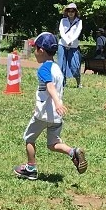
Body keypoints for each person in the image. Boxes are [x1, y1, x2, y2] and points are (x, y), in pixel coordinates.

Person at [14, 32, 87, 180]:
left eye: (35, 49)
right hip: (56, 116)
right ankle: (73, 152)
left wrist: (57, 102)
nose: (34, 53)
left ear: (41, 50)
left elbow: (50, 87)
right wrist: (58, 105)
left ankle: (31, 169)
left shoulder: (44, 69)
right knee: (53, 143)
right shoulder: (57, 68)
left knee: (29, 138)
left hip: (43, 114)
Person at [58, 3, 83, 88]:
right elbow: (61, 31)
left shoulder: (79, 21)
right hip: (62, 44)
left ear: (75, 12)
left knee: (75, 65)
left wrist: (70, 41)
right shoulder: (63, 20)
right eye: (69, 11)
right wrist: (67, 40)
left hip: (74, 46)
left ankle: (79, 83)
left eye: (73, 11)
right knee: (61, 65)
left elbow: (77, 32)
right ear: (67, 12)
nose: (71, 12)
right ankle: (62, 83)